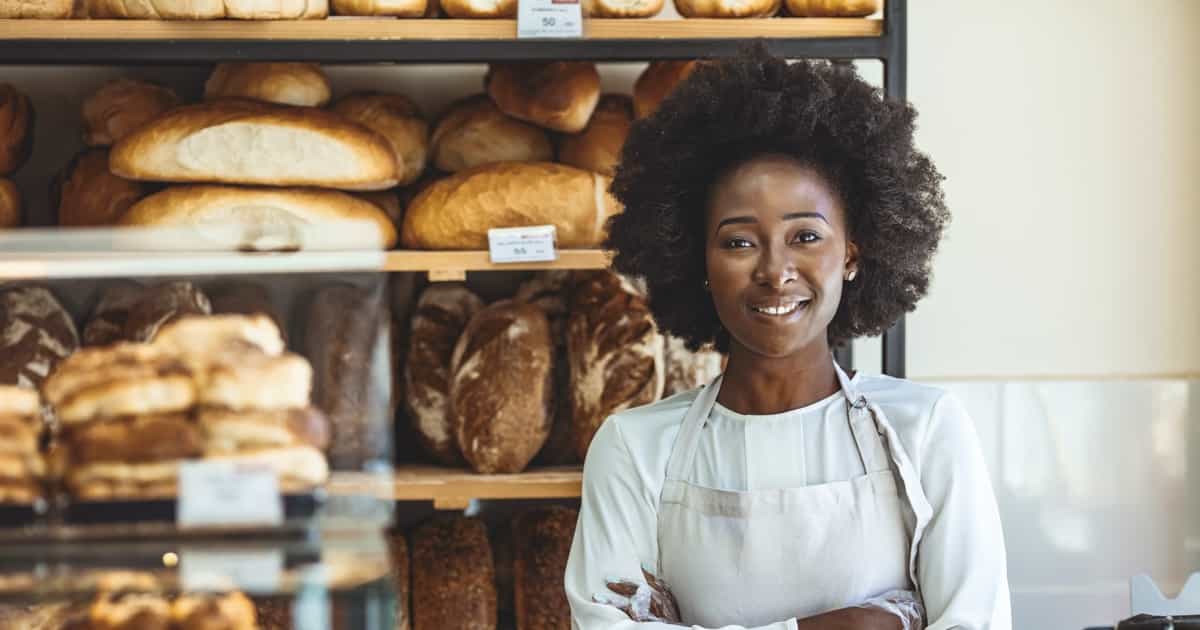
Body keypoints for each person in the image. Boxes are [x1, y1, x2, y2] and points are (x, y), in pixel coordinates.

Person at [564, 45, 1011, 630]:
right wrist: (839, 627)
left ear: (851, 253)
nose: (775, 271)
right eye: (739, 242)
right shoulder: (633, 449)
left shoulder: (925, 432)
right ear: (696, 260)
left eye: (805, 236)